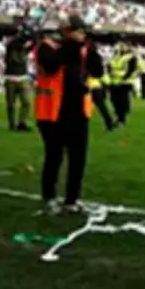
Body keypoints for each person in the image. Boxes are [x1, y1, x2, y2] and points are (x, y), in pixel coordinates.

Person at [34, 15, 104, 213]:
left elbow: (98, 71)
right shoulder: (47, 46)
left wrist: (91, 49)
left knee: (78, 159)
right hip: (53, 112)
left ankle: (72, 199)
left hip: (78, 111)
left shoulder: (83, 49)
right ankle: (49, 196)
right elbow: (51, 66)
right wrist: (72, 45)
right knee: (54, 157)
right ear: (66, 30)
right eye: (76, 30)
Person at [4, 34, 33, 132]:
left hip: (22, 78)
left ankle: (22, 122)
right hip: (10, 78)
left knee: (26, 102)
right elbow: (13, 43)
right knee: (11, 104)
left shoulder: (23, 50)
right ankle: (12, 123)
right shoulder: (10, 50)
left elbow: (34, 43)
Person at [107, 43, 137, 125]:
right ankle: (118, 116)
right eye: (121, 46)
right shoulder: (114, 57)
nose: (122, 47)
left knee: (122, 101)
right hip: (113, 81)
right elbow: (109, 65)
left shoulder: (131, 57)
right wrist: (110, 73)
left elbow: (131, 70)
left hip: (124, 82)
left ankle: (121, 119)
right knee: (113, 100)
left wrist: (123, 78)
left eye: (124, 46)